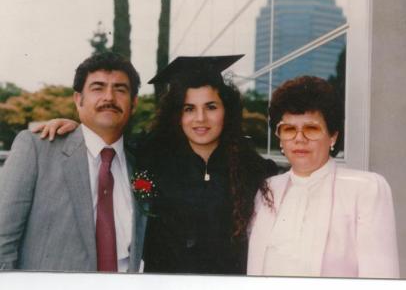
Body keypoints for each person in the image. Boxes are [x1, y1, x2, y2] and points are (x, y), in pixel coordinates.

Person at [32, 55, 277, 274]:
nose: (200, 118)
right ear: (176, 114)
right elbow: (102, 138)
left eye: (211, 107)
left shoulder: (254, 169)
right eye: (188, 108)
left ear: (227, 111)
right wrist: (74, 126)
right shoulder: (146, 157)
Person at [0, 52, 147, 272]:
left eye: (120, 89)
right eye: (97, 88)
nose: (109, 97)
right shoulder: (37, 150)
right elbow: (3, 241)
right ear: (78, 99)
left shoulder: (142, 164)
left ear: (133, 103)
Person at [247, 76, 399, 278]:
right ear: (280, 138)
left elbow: (381, 279)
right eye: (289, 129)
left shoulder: (366, 189)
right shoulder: (268, 191)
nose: (299, 139)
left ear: (333, 135)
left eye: (311, 128)